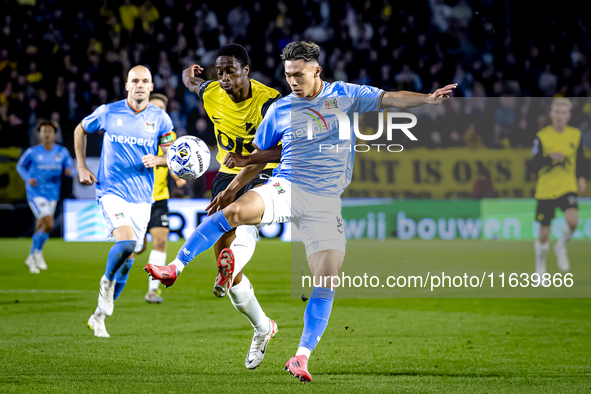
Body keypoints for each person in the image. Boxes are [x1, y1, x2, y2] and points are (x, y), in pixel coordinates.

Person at [146, 40, 456, 381]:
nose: (293, 81)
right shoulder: (280, 110)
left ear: (316, 71)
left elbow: (388, 97)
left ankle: (300, 357)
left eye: (299, 74)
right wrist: (234, 186)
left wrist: (427, 99)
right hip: (287, 187)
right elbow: (259, 157)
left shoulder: (344, 95)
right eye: (288, 74)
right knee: (234, 213)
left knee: (326, 278)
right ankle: (174, 267)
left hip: (325, 202)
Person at [148, 43, 282, 369]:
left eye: (230, 71)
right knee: (227, 262)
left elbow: (281, 150)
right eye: (219, 71)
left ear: (246, 71)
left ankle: (219, 260)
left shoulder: (270, 102)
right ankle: (263, 327)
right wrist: (189, 72)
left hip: (263, 173)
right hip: (226, 173)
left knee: (240, 225)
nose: (223, 77)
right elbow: (191, 82)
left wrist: (246, 171)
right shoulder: (211, 92)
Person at [74, 65, 174, 338]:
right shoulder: (109, 111)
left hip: (143, 198)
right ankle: (106, 282)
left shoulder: (161, 119)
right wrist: (81, 166)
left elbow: (172, 155)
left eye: (145, 81)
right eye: (135, 81)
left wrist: (161, 159)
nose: (140, 85)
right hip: (111, 192)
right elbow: (80, 130)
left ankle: (98, 316)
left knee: (129, 262)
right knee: (128, 243)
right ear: (127, 85)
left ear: (152, 86)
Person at [140, 93, 186, 304]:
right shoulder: (137, 132)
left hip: (159, 199)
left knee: (160, 242)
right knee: (134, 248)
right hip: (136, 198)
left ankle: (152, 290)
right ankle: (111, 287)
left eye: (161, 109)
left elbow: (173, 159)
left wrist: (178, 178)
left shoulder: (168, 136)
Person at [532, 98, 586, 276]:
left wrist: (581, 177)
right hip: (546, 189)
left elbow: (580, 160)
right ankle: (540, 269)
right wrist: (549, 159)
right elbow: (533, 165)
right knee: (544, 234)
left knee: (573, 221)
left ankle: (561, 245)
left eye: (564, 113)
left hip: (567, 186)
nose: (560, 116)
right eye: (557, 113)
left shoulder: (575, 135)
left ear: (569, 115)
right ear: (551, 114)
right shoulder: (542, 136)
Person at [16, 120, 73, 273]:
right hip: (36, 193)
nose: (47, 135)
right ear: (39, 135)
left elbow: (70, 167)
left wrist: (68, 171)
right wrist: (28, 178)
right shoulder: (32, 152)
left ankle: (31, 257)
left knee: (41, 226)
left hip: (53, 193)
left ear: (55, 135)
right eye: (44, 132)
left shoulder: (61, 152)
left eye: (50, 132)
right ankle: (37, 253)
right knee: (48, 223)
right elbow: (19, 166)